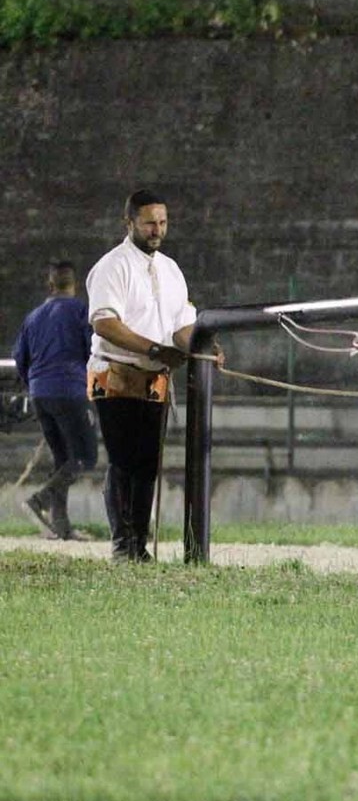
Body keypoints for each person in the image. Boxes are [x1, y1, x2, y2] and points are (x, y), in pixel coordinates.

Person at [85, 190, 202, 561]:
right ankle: (124, 545)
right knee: (124, 458)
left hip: (154, 379)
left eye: (163, 222)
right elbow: (105, 323)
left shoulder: (170, 269)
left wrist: (202, 347)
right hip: (114, 373)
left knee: (148, 461)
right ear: (130, 222)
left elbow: (182, 325)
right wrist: (154, 349)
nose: (157, 230)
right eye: (150, 222)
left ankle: (137, 544)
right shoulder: (112, 266)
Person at [11, 261, 96, 539]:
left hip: (39, 393)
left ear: (50, 285)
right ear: (75, 285)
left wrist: (34, 383)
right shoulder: (81, 311)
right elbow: (92, 350)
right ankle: (39, 501)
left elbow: (20, 358)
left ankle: (62, 527)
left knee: (62, 460)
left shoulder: (33, 317)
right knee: (85, 457)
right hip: (69, 390)